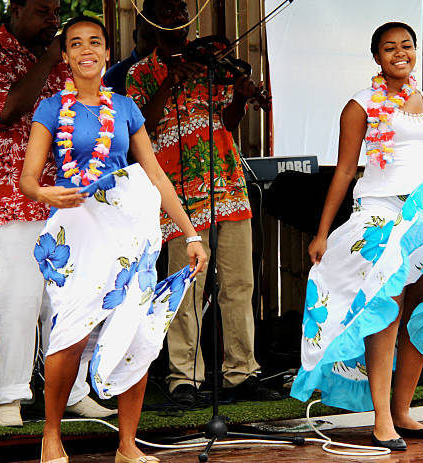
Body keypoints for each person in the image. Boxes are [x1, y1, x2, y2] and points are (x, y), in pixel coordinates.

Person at [19, 15, 207, 463]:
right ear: (64, 56)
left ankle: (127, 444)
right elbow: (28, 179)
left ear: (107, 53)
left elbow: (155, 174)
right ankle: (51, 436)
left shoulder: (125, 108)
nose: (86, 50)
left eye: (96, 43)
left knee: (135, 330)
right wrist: (46, 192)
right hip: (79, 231)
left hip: (129, 232)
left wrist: (191, 232)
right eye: (76, 43)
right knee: (68, 332)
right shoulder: (51, 109)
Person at [290, 22, 423, 451]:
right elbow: (346, 171)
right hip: (381, 211)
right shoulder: (361, 105)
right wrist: (322, 232)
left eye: (406, 45)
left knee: (421, 306)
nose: (400, 53)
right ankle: (382, 419)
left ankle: (404, 411)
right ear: (377, 57)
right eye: (390, 48)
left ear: (415, 51)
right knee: (384, 309)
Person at [0, 0, 115, 427]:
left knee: (70, 301)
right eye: (42, 10)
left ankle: (71, 391)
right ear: (15, 12)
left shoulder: (65, 65)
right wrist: (51, 56)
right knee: (19, 298)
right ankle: (9, 398)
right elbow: (8, 109)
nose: (52, 18)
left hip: (68, 200)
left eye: (56, 11)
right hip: (12, 199)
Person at [126, 0, 281, 406]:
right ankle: (184, 378)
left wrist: (241, 98)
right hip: (178, 196)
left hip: (228, 187)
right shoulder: (140, 73)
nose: (178, 16)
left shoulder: (213, 62)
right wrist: (169, 82)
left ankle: (241, 372)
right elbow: (139, 131)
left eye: (182, 9)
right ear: (150, 20)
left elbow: (227, 122)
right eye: (168, 10)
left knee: (239, 285)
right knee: (186, 289)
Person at [103, 14, 154, 95]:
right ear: (135, 37)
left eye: (160, 36)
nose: (154, 42)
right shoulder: (115, 76)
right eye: (147, 36)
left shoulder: (172, 72)